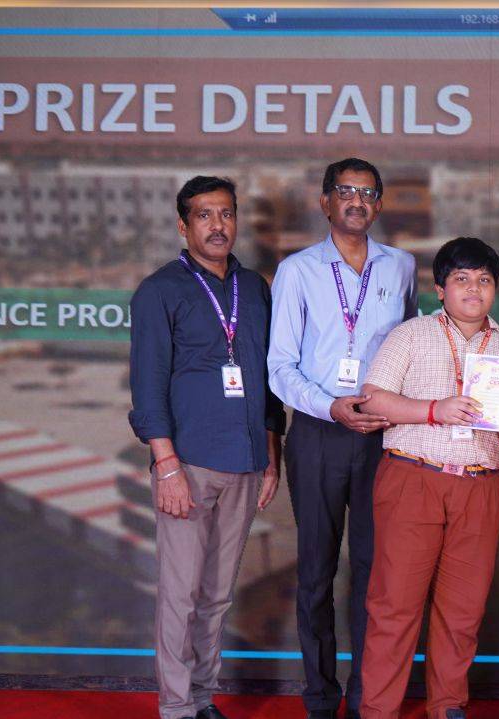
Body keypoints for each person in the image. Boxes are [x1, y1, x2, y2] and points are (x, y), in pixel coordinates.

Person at [129, 176, 285, 719]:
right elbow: (148, 385)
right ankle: (175, 707)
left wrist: (271, 454)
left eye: (226, 214)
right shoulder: (159, 291)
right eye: (204, 215)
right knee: (181, 594)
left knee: (218, 594)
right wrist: (166, 465)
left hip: (247, 461)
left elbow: (267, 378)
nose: (217, 226)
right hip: (188, 464)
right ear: (183, 225)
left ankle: (202, 697)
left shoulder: (255, 288)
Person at [268, 158, 418, 719]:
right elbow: (280, 366)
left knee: (376, 572)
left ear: (379, 204)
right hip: (319, 433)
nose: (357, 200)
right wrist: (330, 406)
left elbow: (411, 346)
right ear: (325, 201)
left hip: (382, 436)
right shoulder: (298, 271)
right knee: (316, 572)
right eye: (346, 191)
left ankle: (367, 698)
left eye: (368, 192)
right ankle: (320, 697)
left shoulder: (401, 266)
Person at [356, 237, 499, 719]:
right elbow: (373, 400)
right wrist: (435, 410)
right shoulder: (410, 335)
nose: (474, 288)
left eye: (484, 280)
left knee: (464, 610)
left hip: (481, 485)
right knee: (394, 606)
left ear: (495, 289)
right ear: (440, 289)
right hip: (414, 478)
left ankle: (448, 705)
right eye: (462, 279)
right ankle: (378, 711)